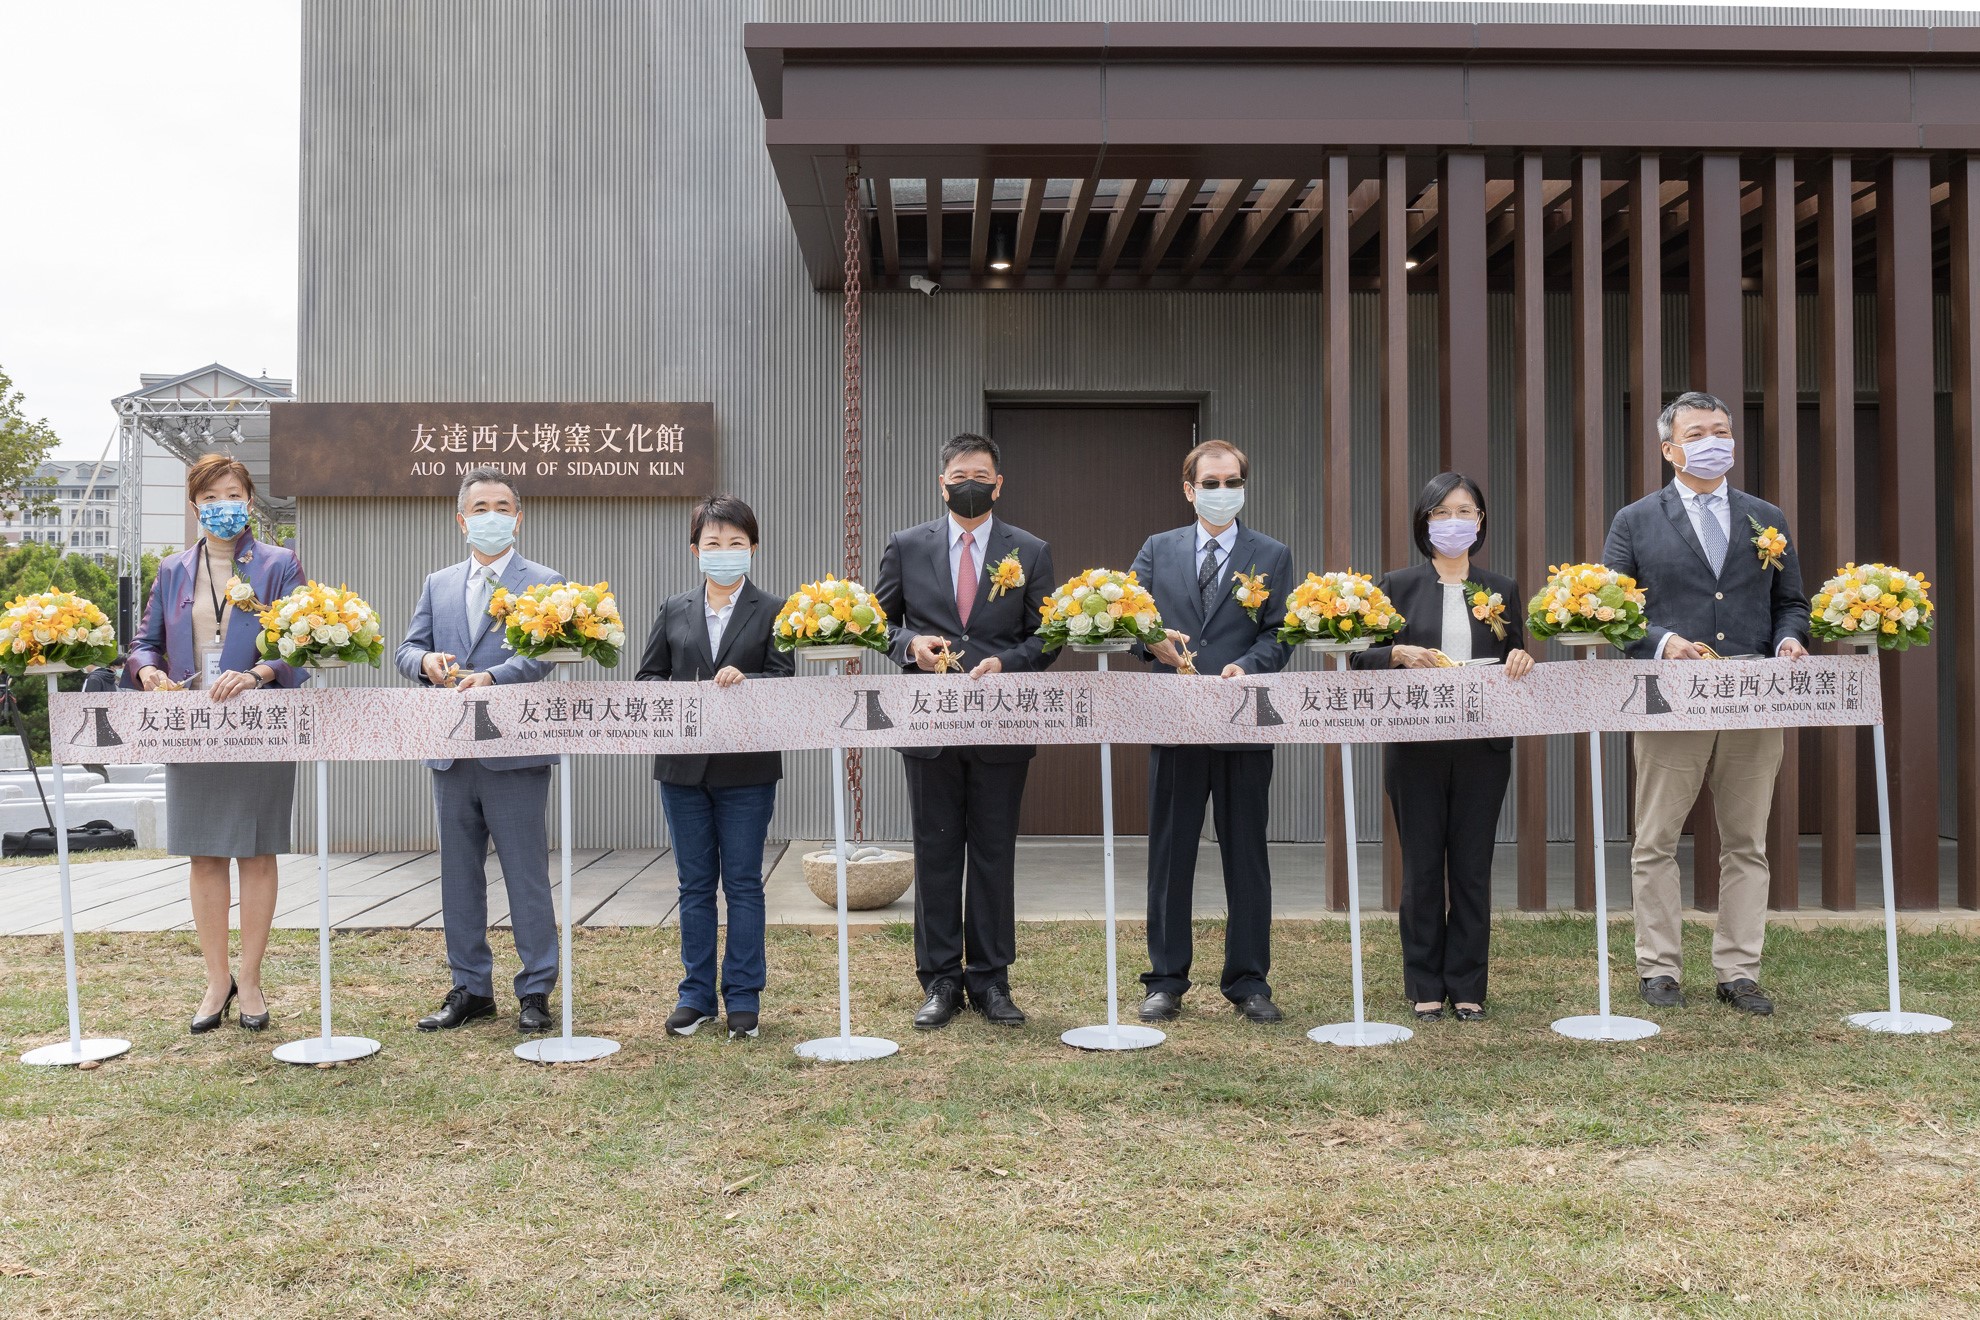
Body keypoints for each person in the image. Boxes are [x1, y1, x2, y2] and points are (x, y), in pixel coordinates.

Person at [1603, 391, 1809, 1016]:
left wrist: (1790, 639)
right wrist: (1662, 642)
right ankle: (1659, 968)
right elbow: (1610, 610)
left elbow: (1790, 602)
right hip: (1672, 698)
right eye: (1697, 434)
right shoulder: (1635, 520)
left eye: (1721, 430)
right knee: (1656, 839)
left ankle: (1739, 971)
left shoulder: (1764, 517)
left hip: (1753, 697)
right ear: (1670, 449)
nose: (1713, 441)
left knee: (1746, 841)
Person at [873, 433, 1056, 1030]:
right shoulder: (906, 545)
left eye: (980, 476)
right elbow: (879, 623)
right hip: (930, 725)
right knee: (937, 850)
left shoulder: (1030, 551)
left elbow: (1048, 634)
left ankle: (992, 979)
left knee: (995, 852)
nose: (969, 484)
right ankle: (940, 979)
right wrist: (910, 646)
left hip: (1001, 722)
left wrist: (1010, 663)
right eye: (959, 476)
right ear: (942, 483)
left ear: (998, 485)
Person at [128, 453, 306, 1034]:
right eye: (210, 498)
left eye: (232, 495)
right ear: (194, 506)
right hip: (193, 725)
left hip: (258, 724)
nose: (222, 506)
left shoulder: (279, 563)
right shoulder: (173, 569)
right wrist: (146, 670)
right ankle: (216, 980)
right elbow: (145, 641)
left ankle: (250, 980)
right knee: (204, 855)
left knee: (256, 853)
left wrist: (258, 674)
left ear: (248, 501)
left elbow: (302, 644)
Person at [1350, 473, 1533, 1021]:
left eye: (1465, 511)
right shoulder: (1396, 585)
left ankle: (1468, 984)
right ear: (1424, 521)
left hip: (1483, 748)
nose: (1454, 521)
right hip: (1416, 748)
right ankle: (1425, 984)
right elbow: (1358, 657)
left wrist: (1521, 657)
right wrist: (1396, 654)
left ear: (1481, 521)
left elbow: (1515, 654)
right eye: (1442, 512)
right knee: (1423, 867)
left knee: (1472, 868)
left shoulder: (1501, 588)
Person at [395, 467, 564, 1034]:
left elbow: (544, 653)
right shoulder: (438, 583)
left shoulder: (544, 581)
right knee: (458, 874)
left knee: (525, 874)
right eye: (481, 508)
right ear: (461, 519)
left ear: (518, 517)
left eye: (502, 507)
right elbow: (407, 648)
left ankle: (536, 989)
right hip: (451, 752)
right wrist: (424, 662)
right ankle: (470, 988)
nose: (492, 516)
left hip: (515, 751)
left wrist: (493, 676)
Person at [1132, 439, 1294, 1025]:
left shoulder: (1271, 554)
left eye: (1232, 483)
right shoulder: (1157, 549)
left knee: (1246, 854)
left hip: (1241, 722)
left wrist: (1247, 667)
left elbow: (1280, 632)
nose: (1222, 492)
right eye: (1211, 483)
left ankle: (1249, 981)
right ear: (1189, 488)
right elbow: (1130, 616)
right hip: (1175, 719)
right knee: (1170, 854)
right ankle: (1165, 980)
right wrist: (1152, 643)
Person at [636, 495, 792, 1040]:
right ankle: (695, 995)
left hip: (747, 770)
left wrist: (749, 682)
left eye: (735, 543)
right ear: (695, 550)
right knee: (694, 885)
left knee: (744, 883)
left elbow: (785, 681)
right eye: (713, 543)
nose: (724, 551)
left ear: (753, 548)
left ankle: (744, 996)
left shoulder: (775, 610)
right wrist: (686, 692)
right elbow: (648, 680)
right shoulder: (674, 608)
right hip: (682, 769)